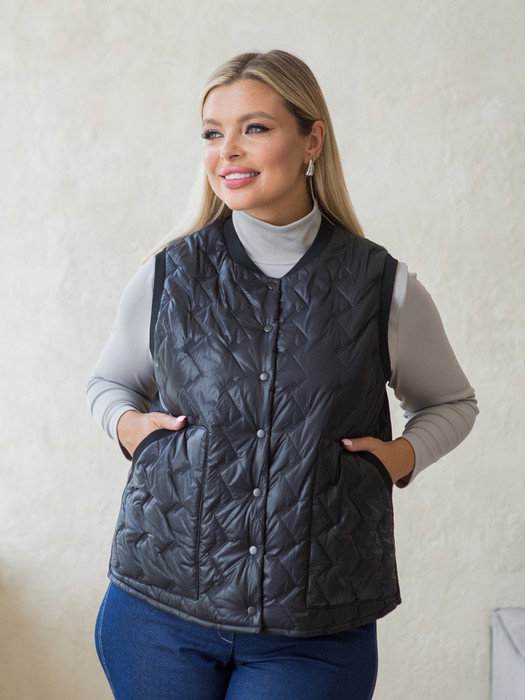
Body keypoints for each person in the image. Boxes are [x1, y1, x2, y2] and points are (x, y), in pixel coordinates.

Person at [87, 49, 478, 700]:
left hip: (314, 629)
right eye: (213, 133)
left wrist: (399, 457)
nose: (228, 151)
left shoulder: (380, 285)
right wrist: (131, 430)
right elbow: (108, 384)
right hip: (158, 614)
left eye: (255, 128)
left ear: (311, 140)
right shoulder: (169, 274)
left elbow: (452, 402)